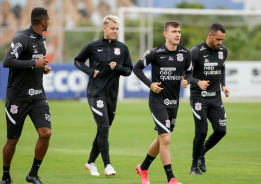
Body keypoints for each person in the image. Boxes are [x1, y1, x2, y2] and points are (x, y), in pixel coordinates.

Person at [133, 20, 192, 184]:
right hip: (157, 101)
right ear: (166, 34)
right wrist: (150, 84)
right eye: (174, 31)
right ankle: (171, 179)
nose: (177, 34)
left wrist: (186, 80)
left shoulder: (185, 53)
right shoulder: (154, 53)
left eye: (179, 31)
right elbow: (136, 68)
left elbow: (188, 72)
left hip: (174, 102)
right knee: (166, 139)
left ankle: (143, 168)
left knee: (161, 139)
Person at [74, 15, 133, 177]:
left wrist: (118, 67)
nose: (115, 31)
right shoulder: (93, 46)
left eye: (117, 29)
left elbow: (129, 70)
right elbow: (78, 61)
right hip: (95, 93)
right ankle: (107, 165)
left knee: (103, 129)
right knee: (104, 127)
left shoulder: (122, 48)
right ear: (104, 28)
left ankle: (90, 162)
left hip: (112, 95)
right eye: (112, 28)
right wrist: (91, 72)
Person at [1, 7, 51, 184]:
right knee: (13, 141)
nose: (50, 21)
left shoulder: (42, 38)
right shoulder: (22, 38)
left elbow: (36, 62)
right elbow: (7, 62)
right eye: (48, 19)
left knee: (45, 133)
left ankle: (33, 174)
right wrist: (33, 63)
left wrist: (43, 67)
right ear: (42, 21)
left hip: (37, 96)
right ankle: (6, 175)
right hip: (18, 97)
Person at [189, 23, 230, 175]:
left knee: (221, 130)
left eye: (222, 40)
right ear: (210, 36)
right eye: (218, 39)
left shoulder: (223, 51)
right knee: (201, 131)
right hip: (199, 97)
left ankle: (202, 153)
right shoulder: (196, 51)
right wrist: (197, 82)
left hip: (215, 98)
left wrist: (223, 85)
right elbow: (186, 74)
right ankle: (193, 166)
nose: (220, 43)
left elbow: (222, 67)